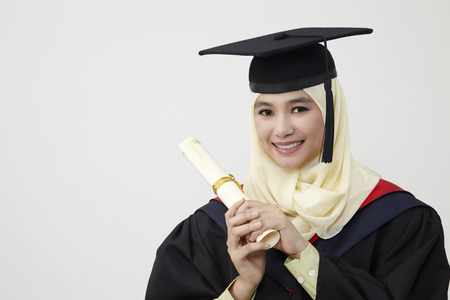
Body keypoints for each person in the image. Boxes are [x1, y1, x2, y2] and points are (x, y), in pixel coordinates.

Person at [145, 27, 450, 299]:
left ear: (332, 114)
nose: (281, 129)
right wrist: (243, 289)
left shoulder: (399, 221)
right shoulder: (213, 227)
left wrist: (302, 254)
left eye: (299, 108)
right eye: (266, 112)